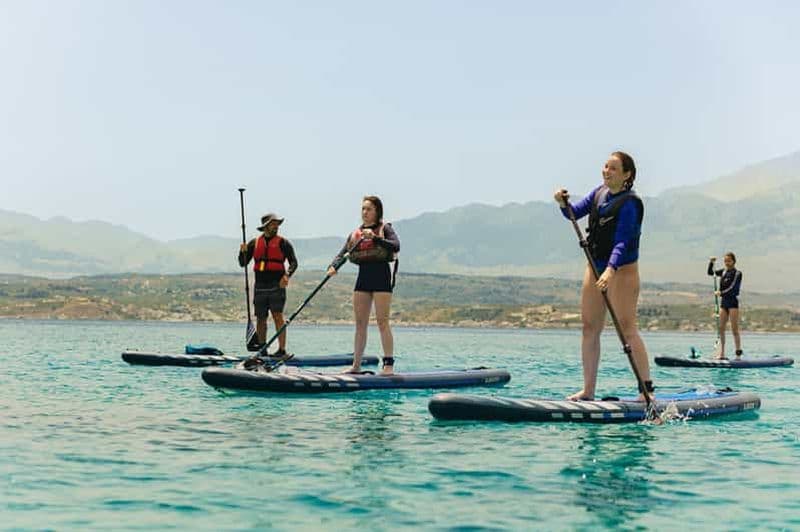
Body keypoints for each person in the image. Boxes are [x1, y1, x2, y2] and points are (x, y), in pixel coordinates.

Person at [554, 151, 654, 401]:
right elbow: (573, 213)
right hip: (595, 266)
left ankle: (645, 392)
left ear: (627, 175)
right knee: (589, 327)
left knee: (627, 328)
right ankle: (588, 390)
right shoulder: (598, 193)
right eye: (605, 166)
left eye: (613, 168)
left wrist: (610, 270)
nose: (606, 171)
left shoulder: (630, 203)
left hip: (622, 271)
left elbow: (622, 242)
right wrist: (562, 202)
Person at [327, 196, 400, 375]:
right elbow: (343, 253)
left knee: (382, 322)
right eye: (363, 209)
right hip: (363, 278)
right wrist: (333, 266)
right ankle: (356, 365)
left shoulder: (385, 229)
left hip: (381, 277)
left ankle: (388, 365)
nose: (365, 213)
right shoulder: (356, 233)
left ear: (377, 212)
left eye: (369, 209)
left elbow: (395, 246)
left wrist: (375, 238)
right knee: (360, 324)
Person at [238, 213, 298, 357]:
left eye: (277, 223)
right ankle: (262, 349)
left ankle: (282, 350)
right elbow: (243, 263)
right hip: (260, 286)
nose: (276, 226)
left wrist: (287, 275)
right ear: (265, 226)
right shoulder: (254, 243)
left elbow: (294, 262)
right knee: (261, 318)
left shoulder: (284, 243)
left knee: (278, 316)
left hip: (277, 285)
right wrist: (242, 252)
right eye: (273, 224)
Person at [708, 253, 743, 359]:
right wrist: (711, 263)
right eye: (725, 261)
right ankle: (722, 353)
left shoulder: (738, 273)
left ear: (733, 261)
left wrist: (721, 293)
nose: (727, 263)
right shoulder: (723, 272)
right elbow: (710, 272)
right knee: (721, 328)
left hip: (732, 303)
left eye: (729, 261)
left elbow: (733, 287)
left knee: (734, 329)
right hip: (724, 303)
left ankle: (738, 354)